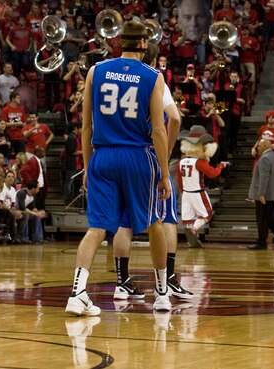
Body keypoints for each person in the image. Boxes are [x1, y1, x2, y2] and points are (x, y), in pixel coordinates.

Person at [65, 21, 172, 317]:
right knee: (153, 222)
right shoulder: (152, 75)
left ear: (120, 42)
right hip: (137, 155)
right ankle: (162, 293)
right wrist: (164, 174)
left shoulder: (94, 71)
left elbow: (85, 125)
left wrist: (87, 166)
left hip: (102, 154)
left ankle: (77, 292)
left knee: (97, 226)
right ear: (143, 44)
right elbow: (159, 131)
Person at [111, 43, 194, 301]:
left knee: (124, 221)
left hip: (113, 153)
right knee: (164, 218)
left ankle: (121, 282)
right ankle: (166, 279)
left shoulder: (110, 74)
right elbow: (176, 118)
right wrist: (164, 158)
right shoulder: (153, 78)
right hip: (145, 157)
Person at [247, 138, 274, 249]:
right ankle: (265, 240)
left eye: (260, 146)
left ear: (265, 146)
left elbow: (264, 178)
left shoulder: (265, 158)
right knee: (267, 217)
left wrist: (261, 194)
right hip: (272, 193)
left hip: (265, 194)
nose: (258, 148)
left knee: (262, 218)